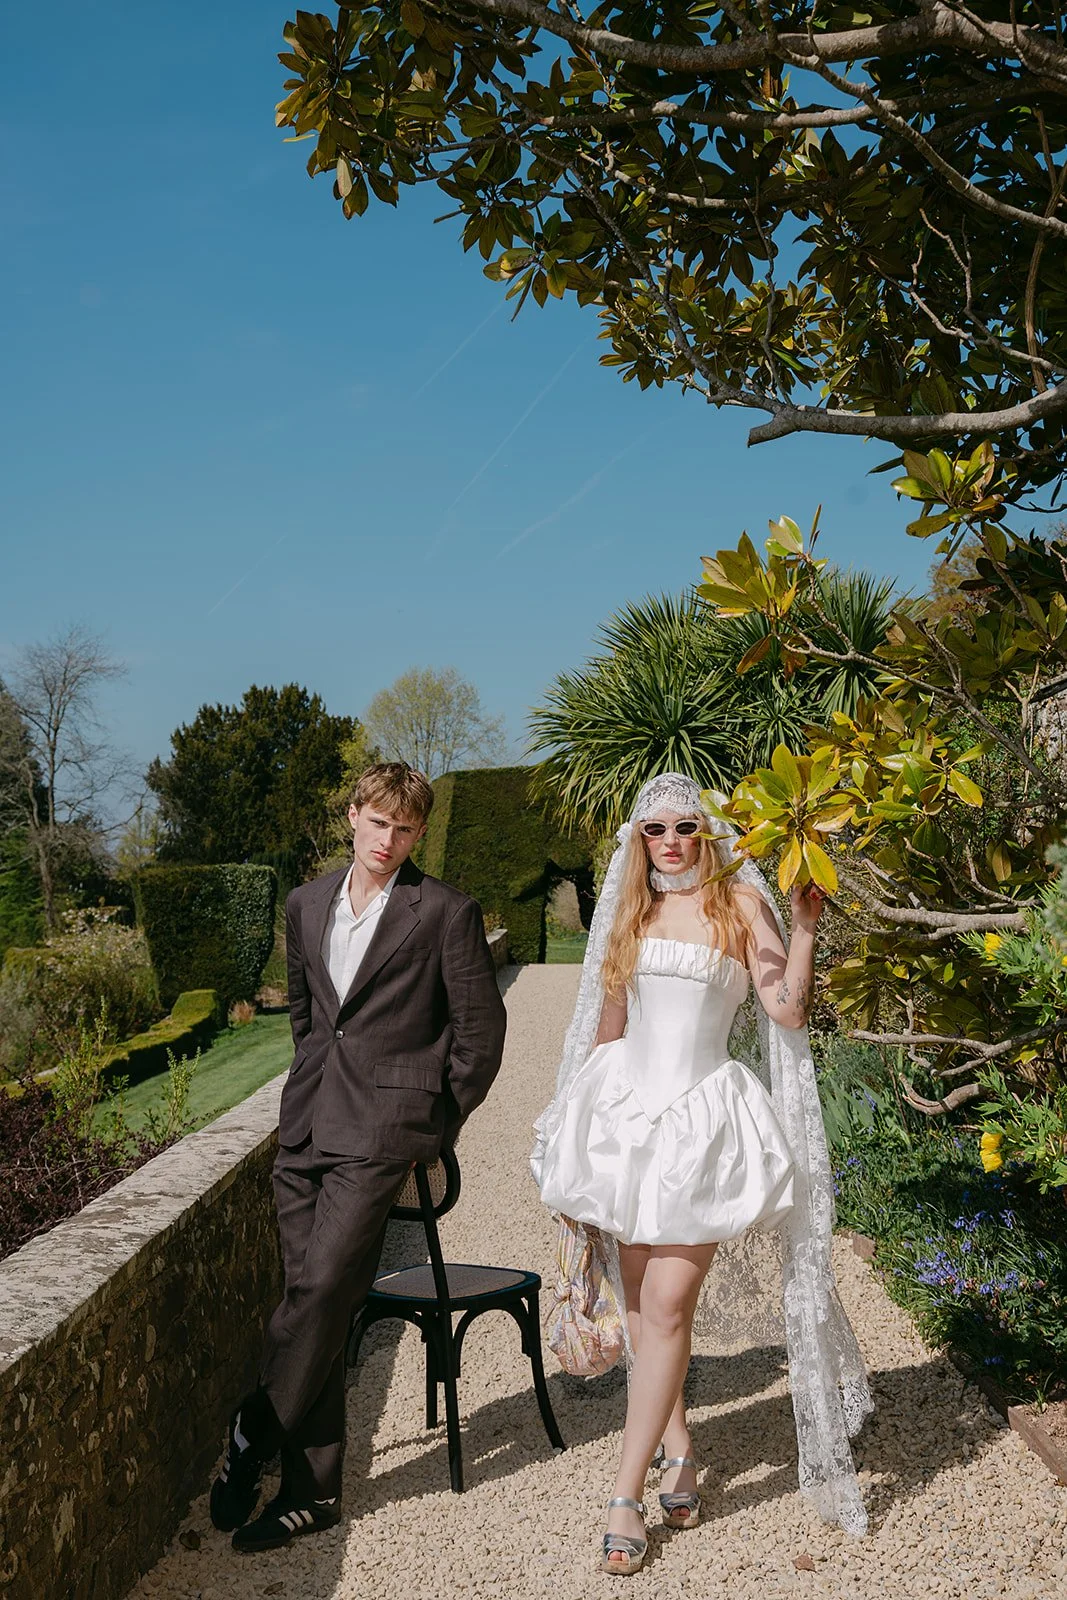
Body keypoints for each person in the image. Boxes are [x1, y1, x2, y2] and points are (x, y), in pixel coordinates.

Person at [532, 773, 871, 1575]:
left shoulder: (740, 906)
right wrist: (572, 1132)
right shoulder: (630, 912)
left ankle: (624, 1496)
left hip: (701, 1127)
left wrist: (802, 925)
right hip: (625, 1124)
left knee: (666, 1305)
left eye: (684, 827)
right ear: (638, 839)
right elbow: (609, 1029)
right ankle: (678, 1449)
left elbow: (786, 1009)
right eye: (654, 830)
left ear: (707, 832)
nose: (670, 842)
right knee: (641, 1312)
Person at [210, 762, 507, 1552]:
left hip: (383, 1134)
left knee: (322, 1289)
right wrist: (309, 1087)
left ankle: (252, 1431)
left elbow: (480, 1038)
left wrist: (430, 1126)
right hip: (306, 1125)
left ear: (418, 833)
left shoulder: (443, 911)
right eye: (378, 823)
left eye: (404, 829)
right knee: (314, 1301)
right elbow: (310, 1021)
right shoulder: (305, 903)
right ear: (353, 816)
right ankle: (311, 1494)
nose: (388, 840)